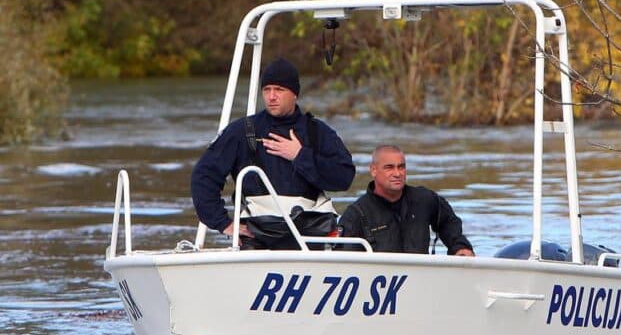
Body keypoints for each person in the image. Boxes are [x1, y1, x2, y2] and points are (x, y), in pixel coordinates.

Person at [190, 57, 355, 249]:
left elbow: (344, 177)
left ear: (294, 94)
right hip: (258, 237)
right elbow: (203, 176)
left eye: (279, 89)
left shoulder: (317, 132)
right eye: (267, 90)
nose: (272, 96)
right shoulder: (242, 131)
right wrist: (223, 223)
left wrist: (300, 156)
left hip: (310, 236)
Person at [338, 145, 474, 256]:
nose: (397, 174)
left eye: (401, 167)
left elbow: (448, 222)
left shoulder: (425, 200)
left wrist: (459, 246)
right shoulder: (356, 215)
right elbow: (345, 262)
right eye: (389, 167)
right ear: (373, 170)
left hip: (421, 279)